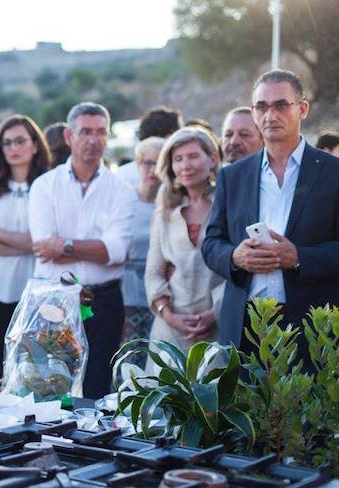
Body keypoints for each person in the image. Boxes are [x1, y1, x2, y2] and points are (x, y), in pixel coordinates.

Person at [202, 69, 339, 372]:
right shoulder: (233, 175)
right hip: (244, 327)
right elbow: (211, 243)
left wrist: (300, 257)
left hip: (310, 328)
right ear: (253, 112)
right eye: (261, 107)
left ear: (302, 109)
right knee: (244, 418)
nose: (270, 115)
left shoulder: (333, 172)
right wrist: (235, 257)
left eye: (281, 105)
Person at [28, 102, 135, 399]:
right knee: (49, 388)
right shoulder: (44, 186)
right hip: (55, 299)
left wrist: (64, 245)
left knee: (97, 390)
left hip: (104, 300)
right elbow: (43, 247)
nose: (94, 139)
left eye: (101, 132)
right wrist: (95, 249)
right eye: (85, 131)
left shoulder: (121, 189)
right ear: (68, 136)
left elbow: (116, 250)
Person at [0, 115, 50, 377]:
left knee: (33, 369)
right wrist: (27, 244)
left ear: (35, 145)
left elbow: (42, 242)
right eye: (7, 143)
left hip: (32, 288)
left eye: (20, 141)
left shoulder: (47, 186)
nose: (13, 148)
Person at [145, 128, 224, 365]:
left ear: (212, 159)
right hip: (169, 330)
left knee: (216, 399)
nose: (185, 165)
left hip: (217, 328)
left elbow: (238, 271)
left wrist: (216, 314)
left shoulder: (227, 206)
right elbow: (154, 271)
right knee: (166, 398)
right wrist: (168, 315)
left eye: (192, 156)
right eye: (178, 159)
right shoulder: (165, 213)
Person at [119, 137, 164, 369]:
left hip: (158, 299)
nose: (153, 169)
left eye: (159, 163)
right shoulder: (123, 200)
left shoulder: (171, 204)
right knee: (125, 364)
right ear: (137, 165)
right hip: (125, 296)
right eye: (147, 162)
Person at [117, 106, 182, 186]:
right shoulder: (121, 177)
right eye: (178, 133)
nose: (181, 139)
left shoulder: (121, 173)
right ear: (166, 136)